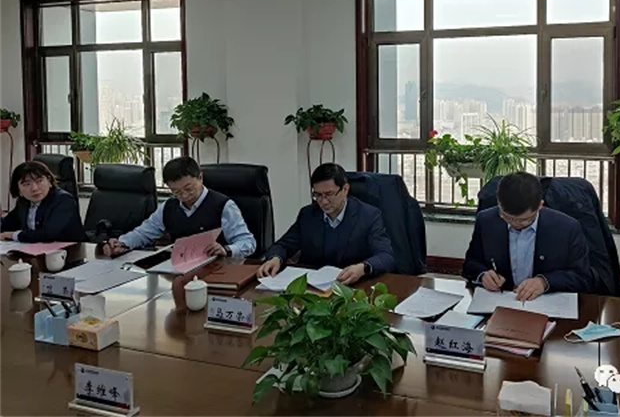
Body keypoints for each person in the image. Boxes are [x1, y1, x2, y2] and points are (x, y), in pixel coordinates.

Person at [462, 171, 593, 300]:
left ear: (540, 206)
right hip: (503, 301)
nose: (515, 224)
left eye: (523, 220)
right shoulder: (486, 220)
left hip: (546, 303)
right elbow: (470, 263)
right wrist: (483, 275)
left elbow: (583, 277)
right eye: (507, 217)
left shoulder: (567, 228)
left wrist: (544, 282)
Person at [258, 163, 394, 285]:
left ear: (345, 189)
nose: (323, 201)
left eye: (329, 194)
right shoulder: (308, 215)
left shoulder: (368, 216)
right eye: (317, 195)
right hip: (313, 287)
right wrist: (275, 258)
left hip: (351, 286)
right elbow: (283, 245)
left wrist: (362, 268)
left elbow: (386, 256)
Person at [102, 156, 255, 259]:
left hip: (216, 269)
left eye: (188, 188)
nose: (184, 195)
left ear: (200, 177)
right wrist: (122, 243)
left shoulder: (223, 206)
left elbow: (248, 242)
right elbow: (144, 233)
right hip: (179, 270)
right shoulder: (169, 206)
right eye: (176, 191)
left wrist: (226, 250)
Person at [0, 161, 86, 243]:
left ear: (49, 181)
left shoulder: (63, 200)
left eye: (39, 181)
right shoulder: (23, 202)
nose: (34, 188)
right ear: (18, 188)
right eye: (27, 184)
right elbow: (7, 224)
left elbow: (48, 233)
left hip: (70, 250)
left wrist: (13, 235)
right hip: (34, 249)